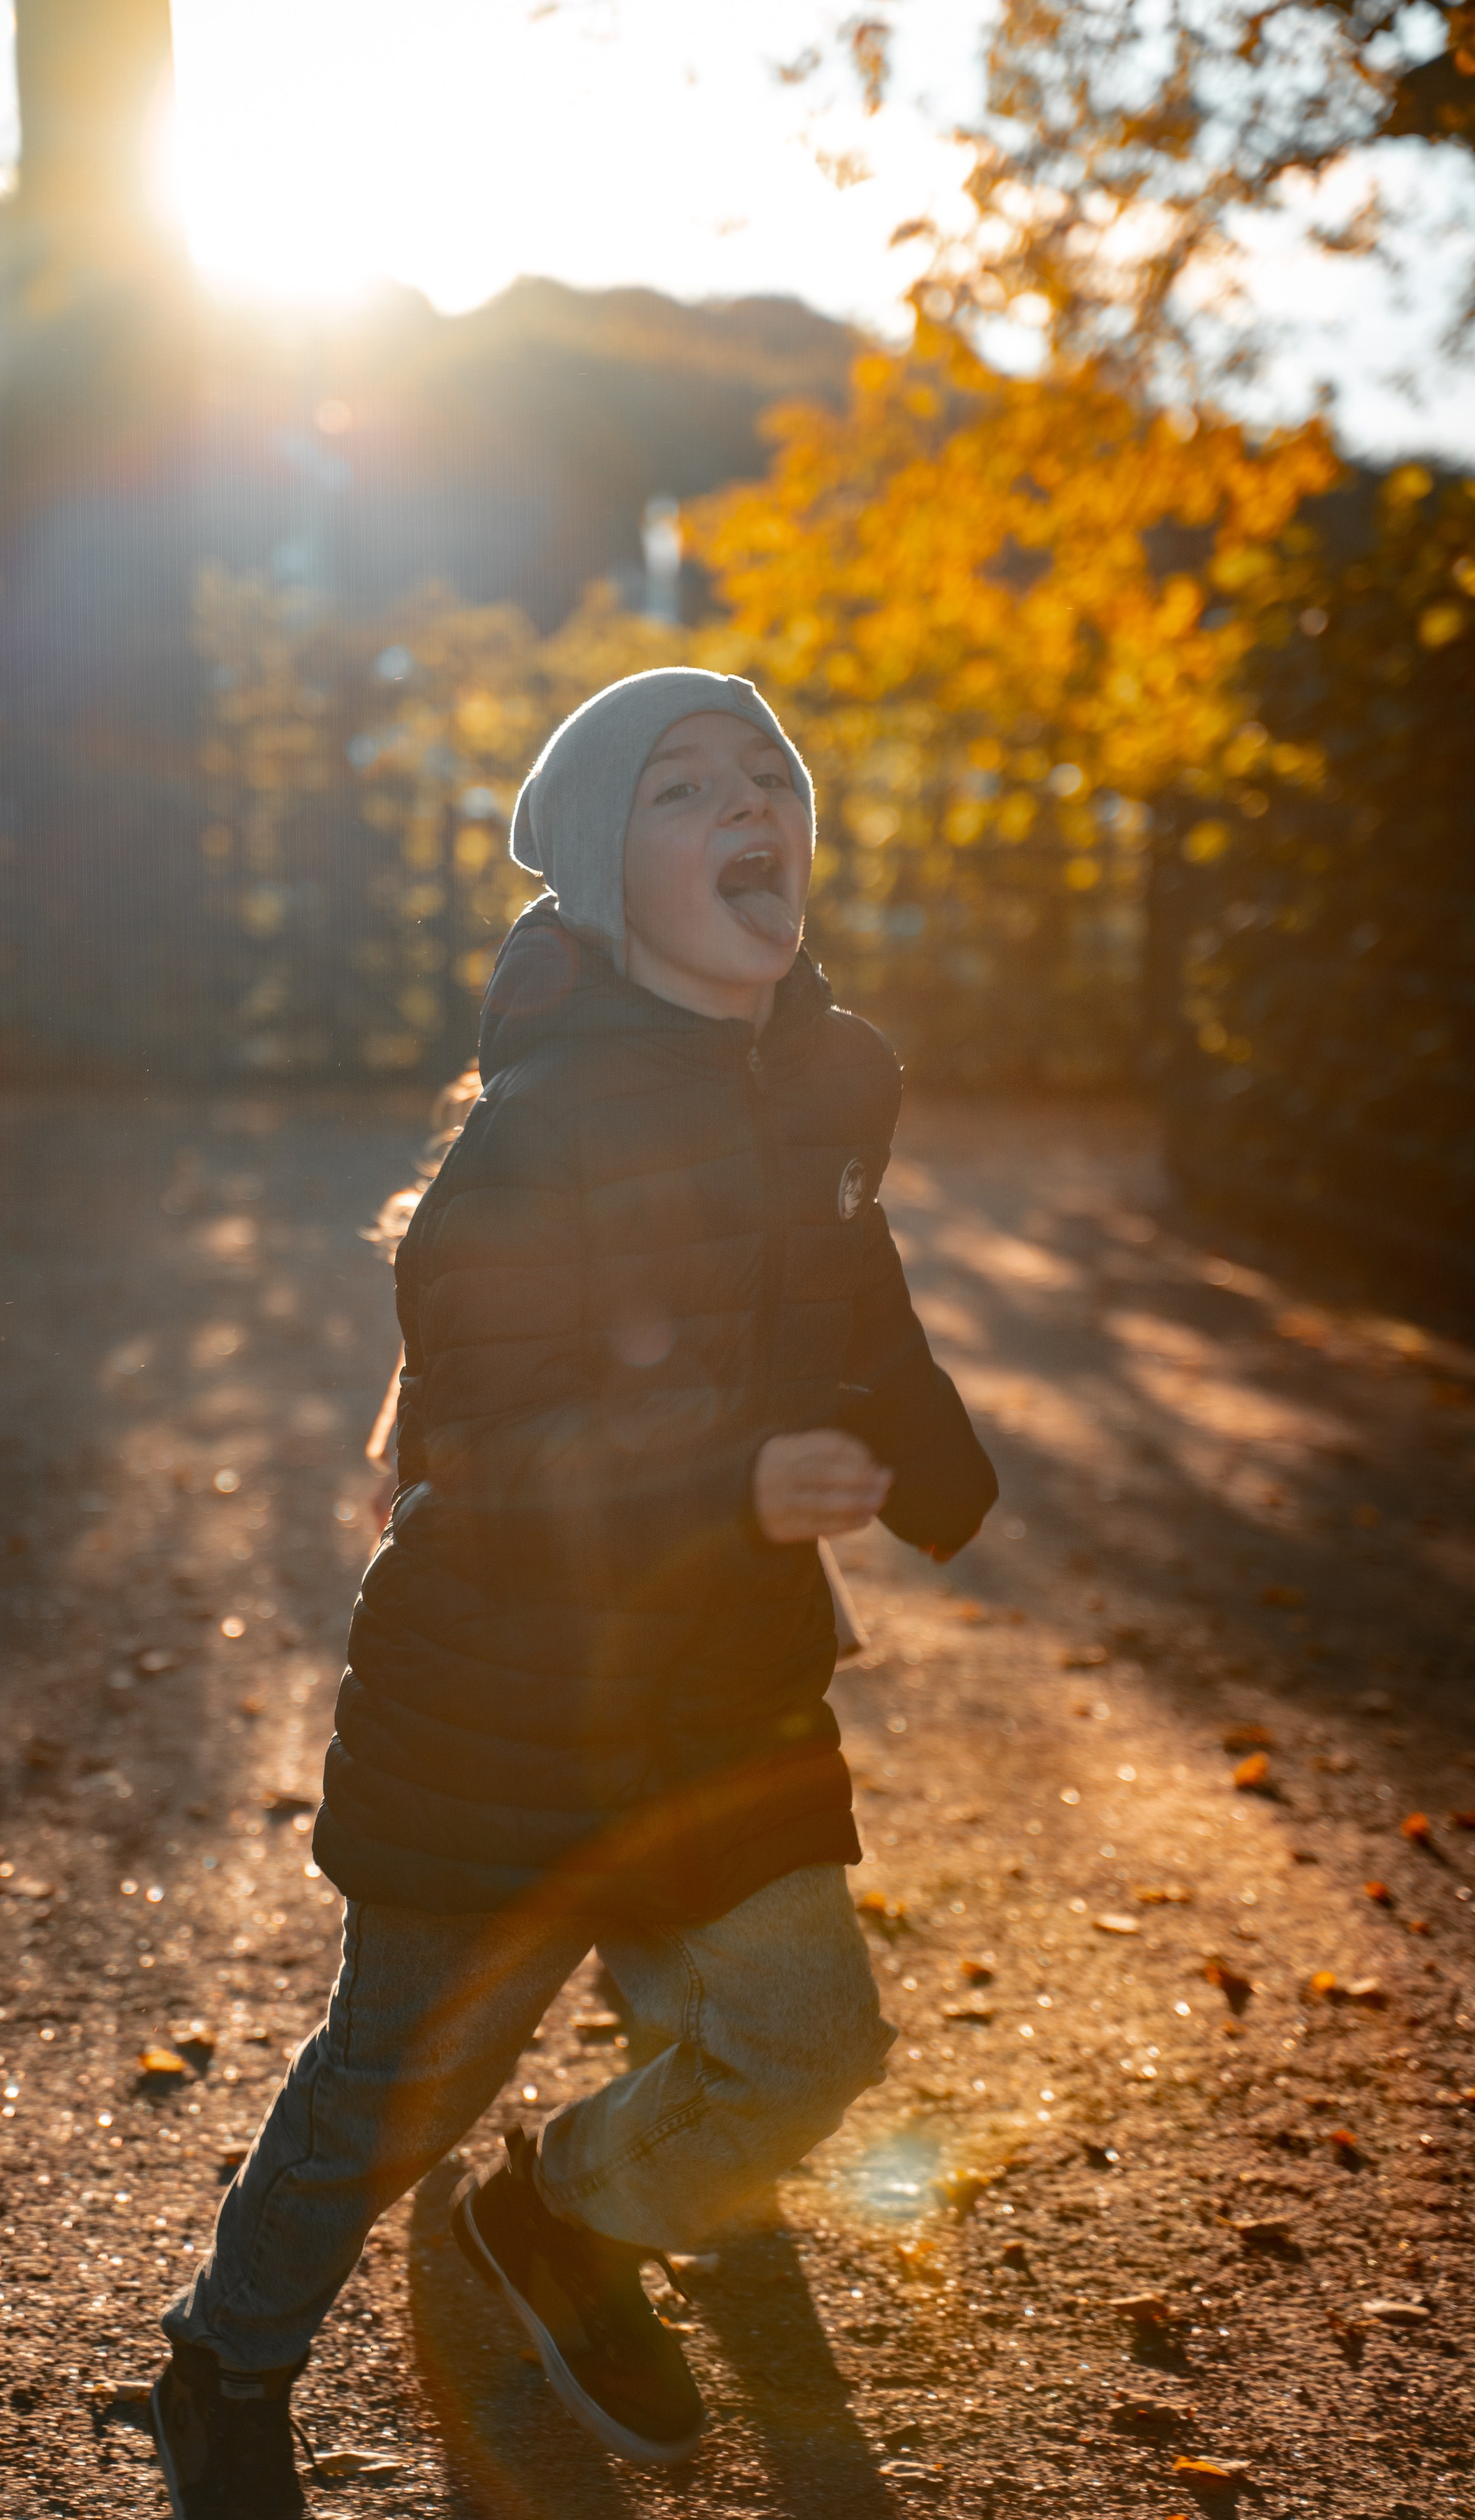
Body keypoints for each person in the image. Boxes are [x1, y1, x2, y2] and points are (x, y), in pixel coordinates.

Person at [151, 668, 997, 2519]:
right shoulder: (537, 1135)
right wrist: (726, 1475)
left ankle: (562, 2222)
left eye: (766, 774)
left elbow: (849, 1291)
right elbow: (497, 1438)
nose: (746, 800)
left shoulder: (830, 1082)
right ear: (610, 884)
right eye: (684, 787)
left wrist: (930, 1459)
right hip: (513, 1700)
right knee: (402, 2083)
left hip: (722, 1686)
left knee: (806, 2041)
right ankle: (227, 2351)